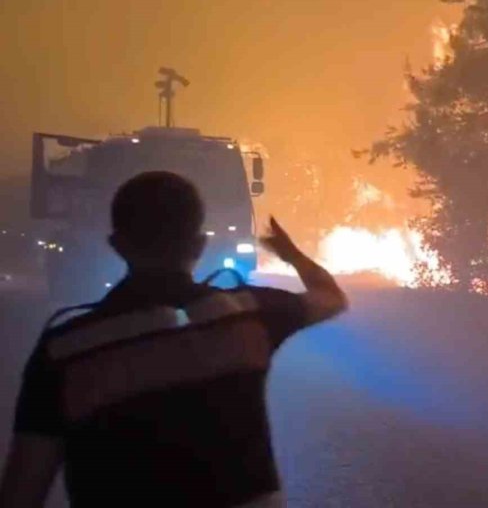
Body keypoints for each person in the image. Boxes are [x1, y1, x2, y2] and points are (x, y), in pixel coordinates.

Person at [0, 171, 348, 507]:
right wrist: (291, 255)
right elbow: (330, 298)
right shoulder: (249, 316)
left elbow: (22, 492)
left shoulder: (64, 352)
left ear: (117, 245)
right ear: (198, 244)